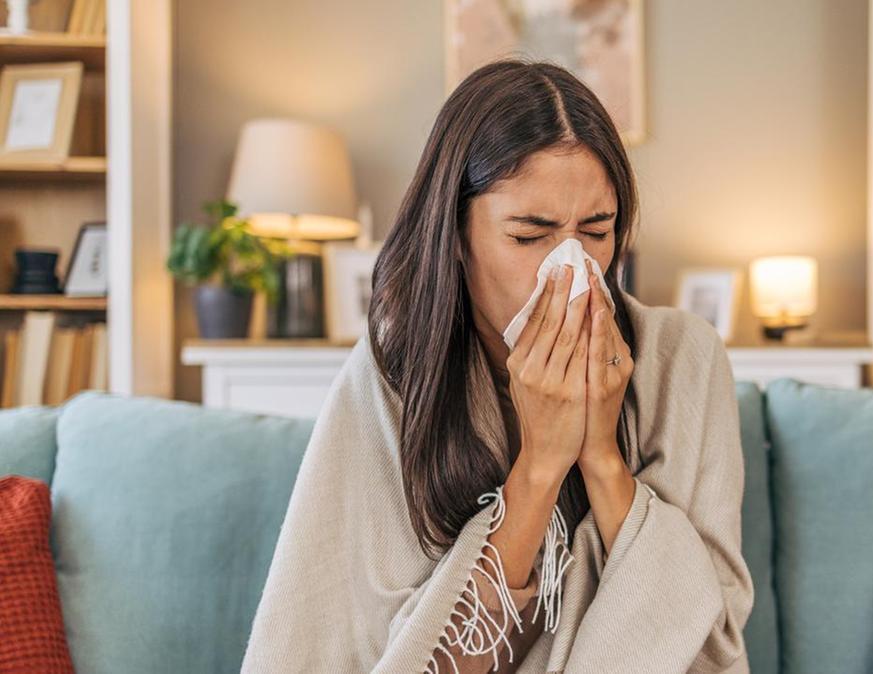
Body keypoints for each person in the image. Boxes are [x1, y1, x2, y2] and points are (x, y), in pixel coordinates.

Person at [240, 58, 752, 673]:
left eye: (596, 231)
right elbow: (398, 660)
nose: (570, 268)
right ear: (455, 235)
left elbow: (711, 647)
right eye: (529, 236)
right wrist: (540, 464)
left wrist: (600, 455)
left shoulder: (683, 359)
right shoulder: (394, 372)